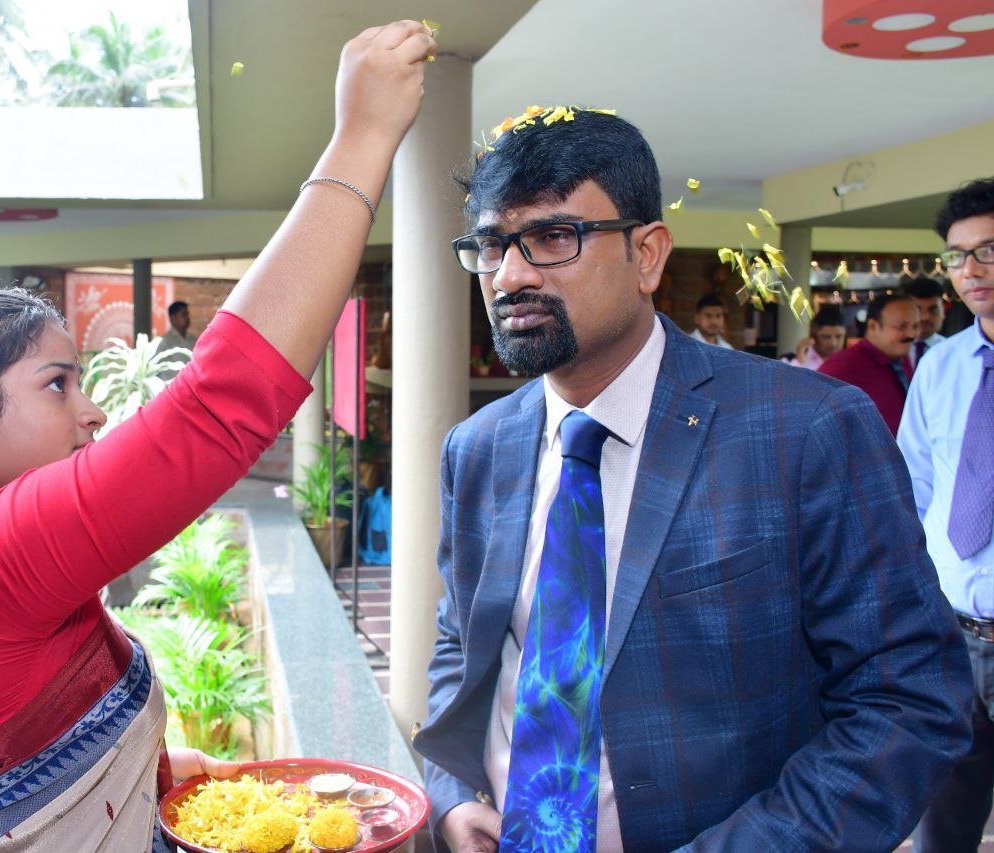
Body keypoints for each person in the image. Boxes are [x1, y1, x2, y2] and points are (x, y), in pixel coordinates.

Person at [0, 21, 435, 851]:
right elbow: (213, 410)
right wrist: (361, 138)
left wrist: (155, 770)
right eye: (57, 383)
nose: (91, 411)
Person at [414, 106, 971, 852]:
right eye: (490, 246)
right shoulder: (477, 448)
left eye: (553, 237)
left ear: (647, 255)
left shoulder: (805, 429)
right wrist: (452, 795)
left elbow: (908, 699)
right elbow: (463, 643)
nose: (509, 276)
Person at [899, 176, 994, 852]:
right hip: (952, 636)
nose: (971, 270)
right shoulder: (940, 368)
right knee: (943, 825)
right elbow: (912, 492)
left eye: (988, 251)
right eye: (958, 256)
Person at [818, 293, 919, 434]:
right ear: (873, 326)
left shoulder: (902, 359)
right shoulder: (843, 366)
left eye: (915, 326)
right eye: (902, 327)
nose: (911, 334)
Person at [782, 304, 846, 370]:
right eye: (826, 337)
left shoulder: (847, 363)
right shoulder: (789, 361)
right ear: (813, 335)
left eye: (839, 336)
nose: (833, 343)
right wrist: (799, 361)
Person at [906, 277, 948, 368]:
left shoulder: (951, 351)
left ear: (943, 311)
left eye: (933, 310)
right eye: (917, 310)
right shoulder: (889, 350)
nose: (925, 317)